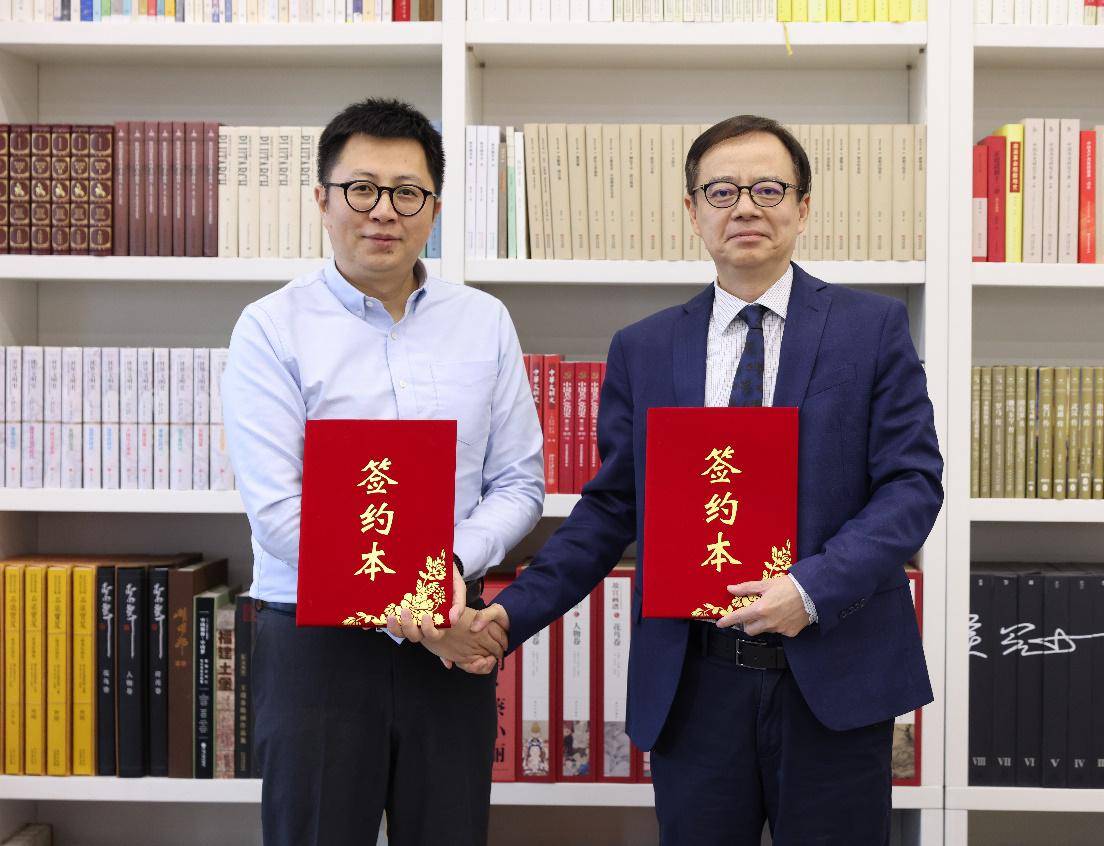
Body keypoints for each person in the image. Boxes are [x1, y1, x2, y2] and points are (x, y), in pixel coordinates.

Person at [465, 114, 943, 844]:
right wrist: (509, 616)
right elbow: (610, 509)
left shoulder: (870, 328)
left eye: (767, 189)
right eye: (721, 191)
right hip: (695, 683)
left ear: (803, 208)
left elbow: (911, 485)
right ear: (692, 212)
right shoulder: (645, 348)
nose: (744, 207)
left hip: (834, 673)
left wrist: (810, 589)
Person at [221, 97, 538, 846]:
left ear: (435, 208)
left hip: (450, 636)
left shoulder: (483, 321)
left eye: (407, 192)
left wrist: (441, 576)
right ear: (322, 199)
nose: (383, 211)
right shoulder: (270, 327)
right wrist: (418, 608)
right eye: (361, 189)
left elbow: (519, 483)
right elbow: (279, 513)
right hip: (318, 645)